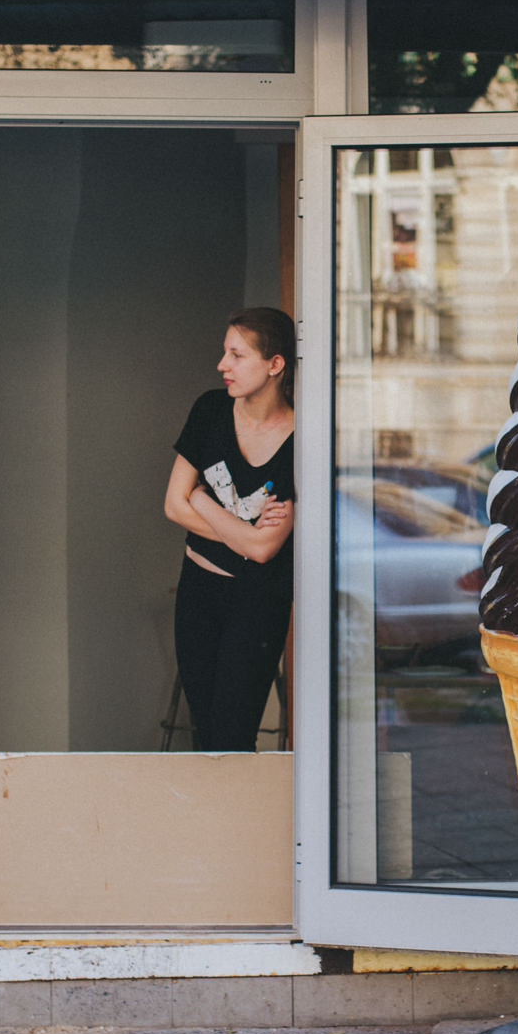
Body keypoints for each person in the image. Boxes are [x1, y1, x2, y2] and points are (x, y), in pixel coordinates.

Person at [164, 308, 296, 751]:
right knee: (207, 735)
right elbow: (171, 505)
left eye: (237, 355)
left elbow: (264, 551)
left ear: (274, 364)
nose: (223, 365)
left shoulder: (303, 437)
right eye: (225, 353)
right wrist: (245, 533)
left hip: (257, 603)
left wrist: (200, 497)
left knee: (232, 736)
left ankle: (240, 821)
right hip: (197, 592)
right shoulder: (210, 410)